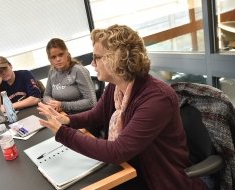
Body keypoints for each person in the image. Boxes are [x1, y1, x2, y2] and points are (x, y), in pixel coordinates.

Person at [37, 25, 207, 189]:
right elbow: (96, 114)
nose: (92, 63)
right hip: (133, 168)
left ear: (116, 59)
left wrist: (62, 132)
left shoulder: (157, 99)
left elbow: (118, 151)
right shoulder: (116, 85)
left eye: (97, 57)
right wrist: (66, 119)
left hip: (160, 179)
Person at [43, 38, 97, 114]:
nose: (58, 59)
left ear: (67, 53)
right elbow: (46, 96)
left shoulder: (78, 71)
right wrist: (53, 103)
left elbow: (91, 102)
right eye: (53, 57)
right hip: (61, 114)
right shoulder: (52, 72)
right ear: (50, 59)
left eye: (61, 54)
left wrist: (62, 105)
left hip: (81, 117)